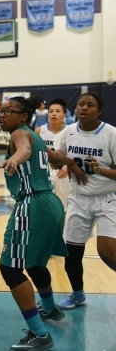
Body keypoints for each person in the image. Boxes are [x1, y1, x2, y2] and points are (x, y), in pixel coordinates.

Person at [0, 96, 86, 351]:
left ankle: (39, 334)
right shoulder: (35, 137)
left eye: (7, 111)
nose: (1, 116)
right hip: (51, 204)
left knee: (10, 269)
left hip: (32, 205)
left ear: (23, 116)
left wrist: (15, 159)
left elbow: (23, 149)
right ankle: (49, 309)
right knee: (33, 262)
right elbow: (56, 157)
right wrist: (74, 166)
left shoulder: (20, 135)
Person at [54, 92, 116, 310]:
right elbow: (55, 160)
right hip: (79, 199)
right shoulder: (68, 132)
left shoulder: (111, 134)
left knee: (107, 250)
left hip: (107, 198)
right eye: (81, 104)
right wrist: (70, 164)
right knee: (71, 254)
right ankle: (77, 294)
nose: (84, 108)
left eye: (90, 105)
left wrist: (101, 170)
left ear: (99, 110)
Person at [35, 98, 71, 208]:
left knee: (64, 206)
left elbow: (73, 153)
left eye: (58, 111)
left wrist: (67, 166)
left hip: (63, 172)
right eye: (51, 111)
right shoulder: (39, 131)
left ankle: (63, 225)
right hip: (44, 172)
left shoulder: (70, 131)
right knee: (46, 206)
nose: (54, 114)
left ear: (64, 114)